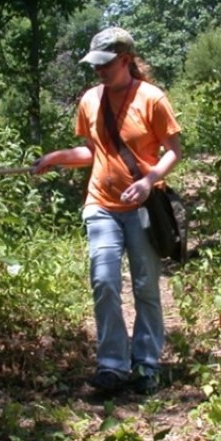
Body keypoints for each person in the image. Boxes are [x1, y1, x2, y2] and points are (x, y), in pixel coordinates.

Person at [32, 27, 182, 396]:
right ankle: (112, 365)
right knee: (104, 280)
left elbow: (174, 151)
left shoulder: (151, 99)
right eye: (95, 65)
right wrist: (56, 158)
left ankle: (146, 364)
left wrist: (149, 182)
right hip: (101, 204)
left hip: (144, 208)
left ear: (126, 60)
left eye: (106, 64)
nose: (99, 71)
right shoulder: (90, 101)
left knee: (146, 285)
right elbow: (92, 152)